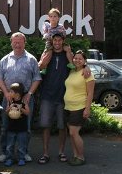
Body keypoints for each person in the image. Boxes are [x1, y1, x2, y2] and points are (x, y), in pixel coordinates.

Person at [37, 34, 92, 165]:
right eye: (54, 40)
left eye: (59, 40)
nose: (57, 42)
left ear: (63, 41)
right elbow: (40, 66)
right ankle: (45, 153)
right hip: (47, 96)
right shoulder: (47, 52)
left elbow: (78, 64)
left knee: (62, 127)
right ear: (51, 41)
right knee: (45, 126)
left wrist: (87, 66)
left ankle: (61, 152)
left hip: (63, 98)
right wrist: (47, 53)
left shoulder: (68, 55)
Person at [0, 32, 42, 163]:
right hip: (9, 98)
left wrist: (29, 94)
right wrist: (5, 92)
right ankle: (5, 153)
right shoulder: (5, 59)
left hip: (25, 98)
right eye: (15, 42)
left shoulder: (31, 59)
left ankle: (24, 152)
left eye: (20, 42)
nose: (17, 44)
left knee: (25, 127)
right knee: (6, 126)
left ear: (24, 43)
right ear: (11, 43)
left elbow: (37, 78)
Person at [64, 50, 95, 166]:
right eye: (75, 58)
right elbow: (68, 56)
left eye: (80, 59)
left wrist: (87, 109)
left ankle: (81, 157)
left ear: (85, 61)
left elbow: (90, 93)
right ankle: (75, 155)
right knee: (71, 133)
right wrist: (68, 51)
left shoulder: (87, 74)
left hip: (79, 107)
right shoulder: (72, 71)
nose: (77, 60)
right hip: (68, 107)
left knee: (74, 132)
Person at [40, 8, 74, 73]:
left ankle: (71, 63)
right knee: (47, 53)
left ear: (58, 18)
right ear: (48, 18)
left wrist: (61, 37)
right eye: (51, 16)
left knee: (68, 49)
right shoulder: (47, 25)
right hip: (49, 42)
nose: (53, 18)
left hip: (59, 42)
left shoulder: (60, 27)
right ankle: (44, 67)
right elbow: (44, 34)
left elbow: (64, 35)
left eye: (55, 16)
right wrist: (47, 36)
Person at [4, 83, 30, 167]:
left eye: (11, 92)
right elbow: (6, 112)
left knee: (21, 145)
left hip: (22, 128)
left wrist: (21, 108)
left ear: (17, 94)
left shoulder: (23, 101)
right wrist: (10, 107)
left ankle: (21, 158)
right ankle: (9, 158)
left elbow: (28, 112)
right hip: (11, 127)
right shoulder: (10, 101)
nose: (9, 93)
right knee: (10, 145)